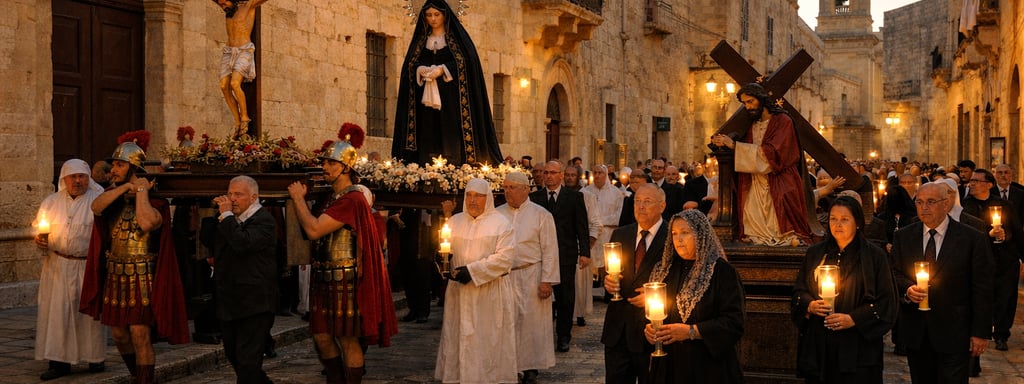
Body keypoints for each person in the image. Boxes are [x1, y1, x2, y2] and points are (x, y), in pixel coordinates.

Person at [287, 124, 397, 384]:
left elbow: (314, 230)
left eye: (331, 164)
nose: (325, 168)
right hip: (324, 275)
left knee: (347, 338)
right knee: (322, 337)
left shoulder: (351, 200)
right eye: (325, 163)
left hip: (345, 278)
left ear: (346, 168)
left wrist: (298, 200)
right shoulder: (332, 197)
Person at [80, 132, 189, 384]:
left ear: (133, 168)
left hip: (142, 276)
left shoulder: (155, 203)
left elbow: (146, 222)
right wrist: (126, 187)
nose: (113, 169)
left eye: (120, 165)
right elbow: (96, 207)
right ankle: (136, 376)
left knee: (140, 333)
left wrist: (140, 190)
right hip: (115, 274)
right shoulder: (112, 196)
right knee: (119, 334)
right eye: (114, 164)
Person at [890, 182, 993, 383]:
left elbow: (982, 288)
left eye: (930, 202)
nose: (924, 207)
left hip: (955, 332)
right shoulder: (904, 236)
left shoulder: (971, 239)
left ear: (946, 204)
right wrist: (908, 289)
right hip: (917, 332)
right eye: (919, 202)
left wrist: (980, 332)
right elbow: (893, 272)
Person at [792, 197, 897, 383]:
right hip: (820, 344)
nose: (837, 225)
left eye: (844, 219)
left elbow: (886, 301)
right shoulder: (815, 253)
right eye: (833, 219)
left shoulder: (874, 256)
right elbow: (800, 290)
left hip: (857, 347)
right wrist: (810, 305)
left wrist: (853, 318)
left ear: (857, 222)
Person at [392, 0, 502, 166]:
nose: (433, 19)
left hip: (452, 102)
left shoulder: (458, 41)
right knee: (428, 130)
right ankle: (422, 164)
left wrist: (443, 70)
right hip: (425, 105)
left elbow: (467, 62)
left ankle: (455, 163)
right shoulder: (420, 42)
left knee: (450, 133)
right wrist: (420, 69)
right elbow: (411, 65)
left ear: (445, 15)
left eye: (437, 14)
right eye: (429, 15)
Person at [644, 209, 745, 383]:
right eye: (674, 233)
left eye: (685, 233)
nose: (679, 240)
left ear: (700, 235)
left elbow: (734, 323)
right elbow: (653, 310)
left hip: (707, 366)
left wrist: (691, 331)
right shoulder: (665, 270)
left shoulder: (722, 271)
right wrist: (650, 330)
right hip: (669, 365)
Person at [435, 178, 518, 383]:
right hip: (459, 293)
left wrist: (473, 271)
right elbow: (447, 250)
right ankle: (458, 377)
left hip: (488, 293)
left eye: (478, 196)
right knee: (458, 336)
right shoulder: (455, 222)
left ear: (487, 198)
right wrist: (443, 259)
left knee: (487, 339)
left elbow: (504, 259)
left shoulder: (501, 224)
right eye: (469, 196)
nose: (473, 201)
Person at [711, 82, 812, 246]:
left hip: (779, 180)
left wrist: (734, 146)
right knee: (754, 227)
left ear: (761, 99)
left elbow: (774, 154)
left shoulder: (783, 121)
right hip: (755, 182)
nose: (747, 106)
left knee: (782, 227)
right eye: (744, 103)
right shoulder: (751, 126)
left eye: (750, 101)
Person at [199, 176, 277, 383]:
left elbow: (242, 243)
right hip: (230, 300)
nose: (232, 198)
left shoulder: (264, 221)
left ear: (253, 197)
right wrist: (217, 213)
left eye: (238, 194)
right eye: (230, 193)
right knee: (234, 355)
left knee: (248, 362)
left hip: (255, 303)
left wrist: (226, 216)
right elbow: (207, 239)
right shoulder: (227, 219)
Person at [34, 159, 107, 380]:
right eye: (73, 177)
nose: (77, 181)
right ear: (64, 179)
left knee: (88, 315)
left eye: (82, 176)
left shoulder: (99, 201)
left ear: (88, 178)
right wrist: (39, 239)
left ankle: (94, 358)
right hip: (57, 266)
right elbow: (39, 226)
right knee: (58, 314)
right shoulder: (51, 202)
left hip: (88, 265)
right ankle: (58, 362)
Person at [496, 172, 559, 384]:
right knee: (507, 321)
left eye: (512, 187)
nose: (507, 192)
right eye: (505, 188)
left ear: (525, 189)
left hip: (532, 274)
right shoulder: (496, 214)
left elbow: (550, 250)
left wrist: (547, 280)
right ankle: (509, 364)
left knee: (532, 323)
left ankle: (531, 365)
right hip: (504, 276)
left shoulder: (541, 215)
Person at [602, 184, 668, 384]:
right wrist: (608, 284)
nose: (640, 206)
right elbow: (613, 274)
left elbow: (681, 281)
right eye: (637, 201)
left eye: (647, 202)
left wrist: (656, 296)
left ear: (662, 206)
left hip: (652, 331)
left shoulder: (672, 237)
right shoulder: (620, 235)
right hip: (618, 331)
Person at [529, 160, 591, 352]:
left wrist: (585, 253)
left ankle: (564, 336)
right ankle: (540, 335)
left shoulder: (573, 198)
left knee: (565, 298)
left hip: (565, 254)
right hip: (540, 255)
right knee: (540, 297)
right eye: (545, 173)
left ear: (561, 175)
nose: (548, 176)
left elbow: (582, 226)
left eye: (552, 173)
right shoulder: (534, 198)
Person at [960, 168, 1022, 353]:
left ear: (989, 184)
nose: (972, 184)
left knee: (1006, 298)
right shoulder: (966, 206)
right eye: (971, 181)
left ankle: (1002, 334)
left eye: (977, 181)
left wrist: (1006, 235)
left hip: (1004, 259)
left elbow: (1016, 231)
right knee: (982, 296)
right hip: (979, 260)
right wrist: (989, 234)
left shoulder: (1004, 205)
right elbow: (966, 233)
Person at [211, 0, 269, 138]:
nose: (222, 5)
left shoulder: (248, 6)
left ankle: (244, 117)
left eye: (224, 2)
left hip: (244, 49)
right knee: (223, 86)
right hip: (229, 51)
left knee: (234, 83)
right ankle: (236, 120)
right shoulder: (228, 10)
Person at [565, 164, 601, 327]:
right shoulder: (560, 195)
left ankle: (579, 313)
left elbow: (595, 222)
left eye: (572, 175)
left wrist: (587, 246)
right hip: (563, 245)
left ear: (578, 177)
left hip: (581, 245)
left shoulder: (587, 196)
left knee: (579, 285)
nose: (569, 178)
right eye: (567, 175)